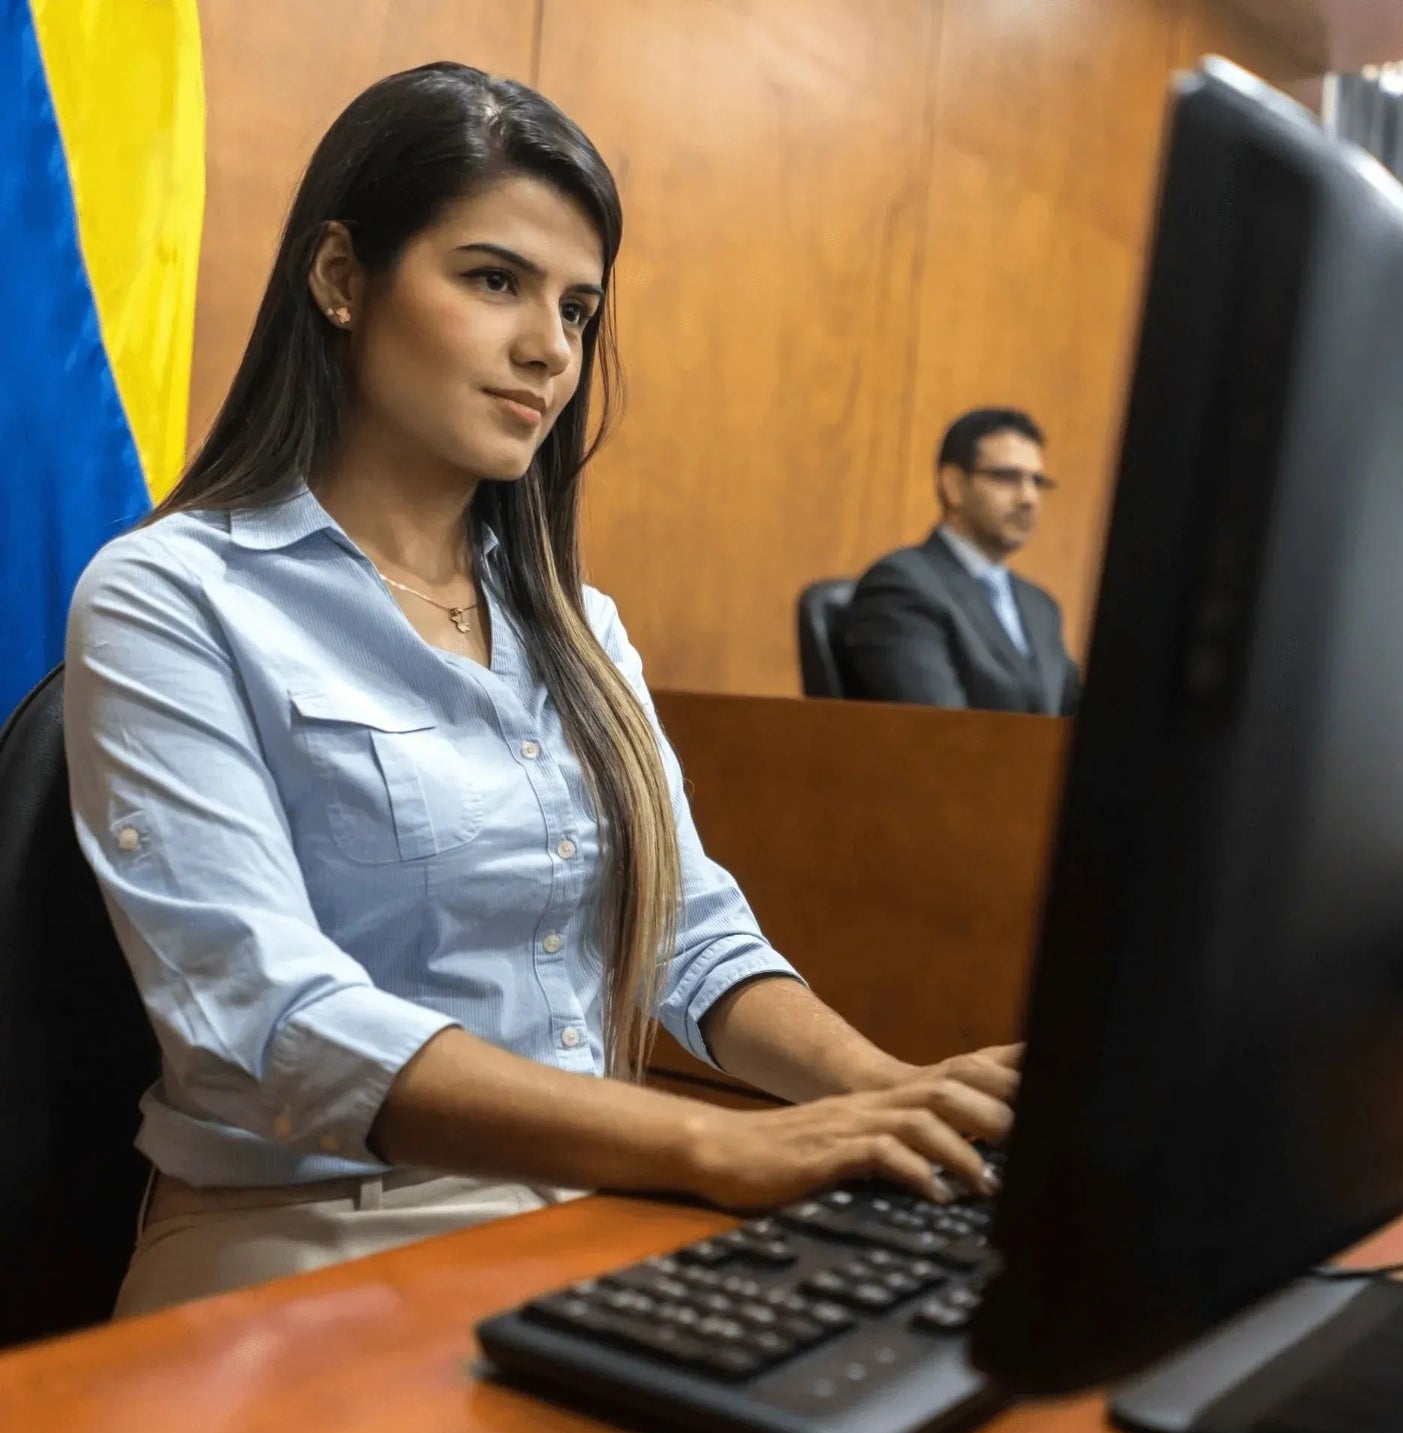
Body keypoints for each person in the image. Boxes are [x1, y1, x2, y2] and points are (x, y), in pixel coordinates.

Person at [63, 64, 1020, 1317]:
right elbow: (270, 1021)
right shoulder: (170, 594)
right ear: (341, 277)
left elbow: (686, 931)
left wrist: (887, 1090)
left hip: (582, 1204)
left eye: (578, 309)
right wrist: (715, 1142)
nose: (550, 350)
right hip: (307, 1232)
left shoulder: (575, 620)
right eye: (493, 281)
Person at [836, 408, 1081, 714]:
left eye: (1037, 481)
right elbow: (942, 727)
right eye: (1007, 478)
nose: (1028, 498)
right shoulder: (902, 587)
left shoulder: (1038, 605)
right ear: (953, 485)